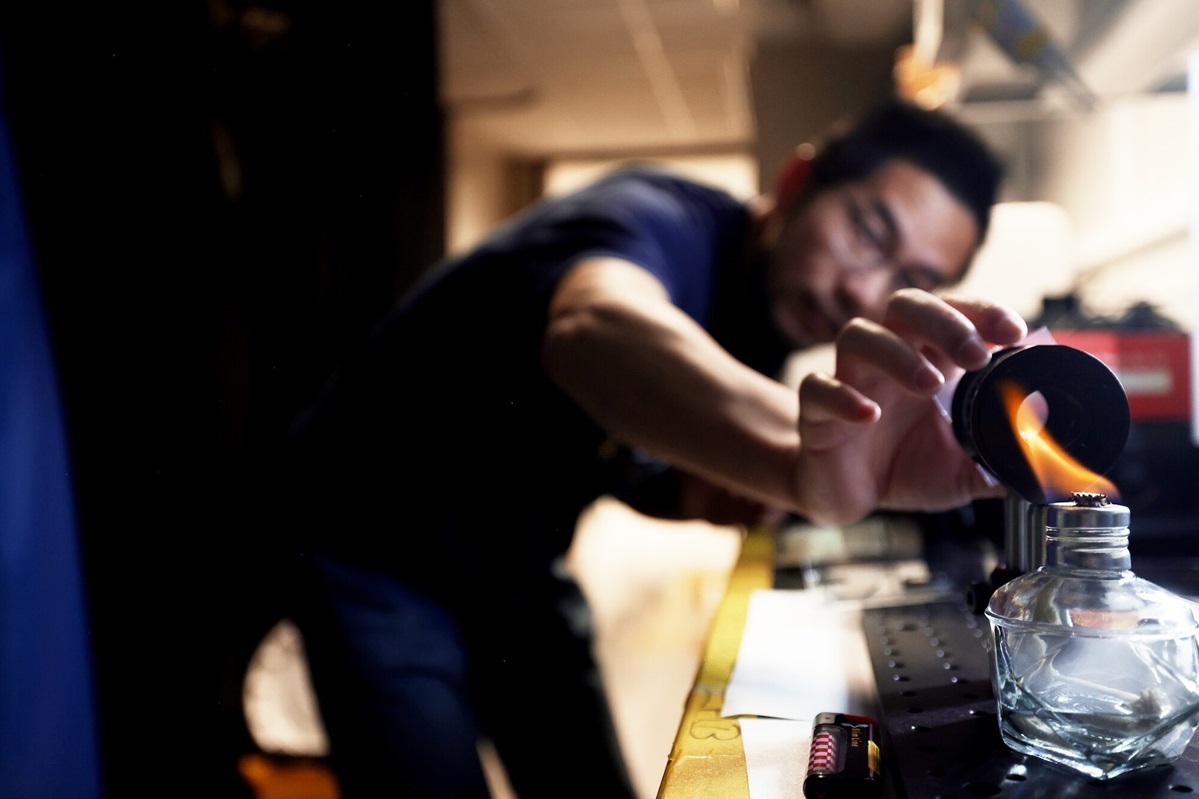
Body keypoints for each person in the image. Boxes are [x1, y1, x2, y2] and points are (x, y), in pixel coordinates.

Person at [283, 99, 1026, 798]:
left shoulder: (760, 324)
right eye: (867, 233)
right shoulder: (651, 219)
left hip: (515, 557)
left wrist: (701, 492)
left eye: (913, 279)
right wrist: (799, 460)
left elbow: (619, 453)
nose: (865, 291)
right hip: (375, 546)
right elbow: (591, 330)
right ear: (796, 180)